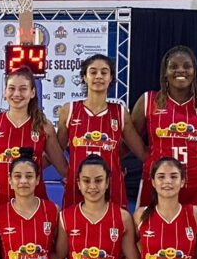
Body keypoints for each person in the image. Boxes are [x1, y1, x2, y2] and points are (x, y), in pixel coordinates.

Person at [132, 45, 197, 217]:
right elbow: (128, 142)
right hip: (158, 185)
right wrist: (151, 158)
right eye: (173, 66)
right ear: (165, 72)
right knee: (150, 238)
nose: (180, 70)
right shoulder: (148, 101)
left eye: (187, 66)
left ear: (195, 71)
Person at [57, 54, 146, 209]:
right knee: (74, 230)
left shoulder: (120, 112)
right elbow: (56, 151)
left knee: (114, 231)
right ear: (84, 77)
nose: (98, 76)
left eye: (104, 72)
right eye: (93, 72)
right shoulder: (69, 110)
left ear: (111, 77)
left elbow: (140, 151)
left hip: (111, 185)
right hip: (80, 185)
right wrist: (68, 173)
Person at [0, 66, 67, 212]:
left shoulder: (44, 125)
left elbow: (62, 167)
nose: (16, 93)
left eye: (23, 89)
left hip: (35, 201)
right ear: (5, 92)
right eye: (11, 88)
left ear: (32, 92)